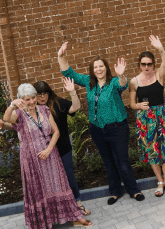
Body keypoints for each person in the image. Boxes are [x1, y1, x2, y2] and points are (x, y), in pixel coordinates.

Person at [0, 84, 92, 229]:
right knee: (40, 189)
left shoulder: (44, 110)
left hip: (50, 154)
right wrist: (12, 105)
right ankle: (45, 223)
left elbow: (56, 132)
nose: (32, 101)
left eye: (33, 97)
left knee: (59, 185)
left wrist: (48, 150)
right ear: (22, 100)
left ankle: (74, 217)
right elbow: (6, 118)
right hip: (31, 157)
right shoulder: (19, 114)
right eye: (27, 99)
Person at [59, 42, 144, 205]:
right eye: (96, 67)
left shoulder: (113, 82)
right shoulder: (88, 82)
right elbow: (69, 73)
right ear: (93, 70)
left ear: (106, 68)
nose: (99, 69)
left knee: (122, 160)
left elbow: (123, 85)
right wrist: (61, 56)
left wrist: (121, 75)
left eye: (101, 66)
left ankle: (133, 190)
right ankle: (115, 191)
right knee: (108, 160)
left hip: (117, 127)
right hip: (97, 129)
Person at [26, 78, 89, 214]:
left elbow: (75, 107)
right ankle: (57, 210)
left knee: (69, 175)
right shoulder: (31, 110)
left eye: (45, 93)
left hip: (62, 148)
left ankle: (78, 203)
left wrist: (72, 92)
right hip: (44, 152)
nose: (42, 97)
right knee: (49, 181)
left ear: (49, 93)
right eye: (39, 94)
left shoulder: (58, 103)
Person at [130, 36, 165, 197]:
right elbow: (131, 104)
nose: (146, 67)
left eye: (149, 64)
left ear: (153, 64)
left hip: (161, 115)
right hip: (145, 119)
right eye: (143, 64)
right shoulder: (134, 81)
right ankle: (159, 181)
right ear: (139, 65)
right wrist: (138, 106)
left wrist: (160, 48)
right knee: (152, 151)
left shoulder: (159, 75)